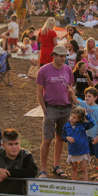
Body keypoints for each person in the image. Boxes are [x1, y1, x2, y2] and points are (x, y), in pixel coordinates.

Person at [36, 44, 74, 179]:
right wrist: (44, 110)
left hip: (65, 108)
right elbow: (39, 92)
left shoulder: (68, 70)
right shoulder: (44, 70)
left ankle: (56, 165)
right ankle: (43, 169)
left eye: (65, 56)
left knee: (60, 138)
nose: (63, 58)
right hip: (50, 107)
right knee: (47, 139)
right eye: (61, 56)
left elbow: (70, 88)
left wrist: (72, 103)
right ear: (54, 56)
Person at [70, 86, 98, 182]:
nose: (87, 98)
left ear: (95, 97)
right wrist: (71, 91)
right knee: (89, 155)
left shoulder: (97, 109)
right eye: (86, 96)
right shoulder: (85, 104)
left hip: (97, 137)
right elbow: (75, 100)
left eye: (89, 96)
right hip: (88, 136)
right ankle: (97, 172)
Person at [62, 107, 95, 181]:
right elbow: (63, 137)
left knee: (84, 168)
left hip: (83, 150)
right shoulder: (66, 127)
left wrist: (86, 115)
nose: (72, 118)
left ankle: (85, 184)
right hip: (73, 150)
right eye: (71, 116)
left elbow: (92, 124)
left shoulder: (82, 125)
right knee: (74, 168)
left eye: (74, 117)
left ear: (79, 119)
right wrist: (67, 138)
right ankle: (74, 183)